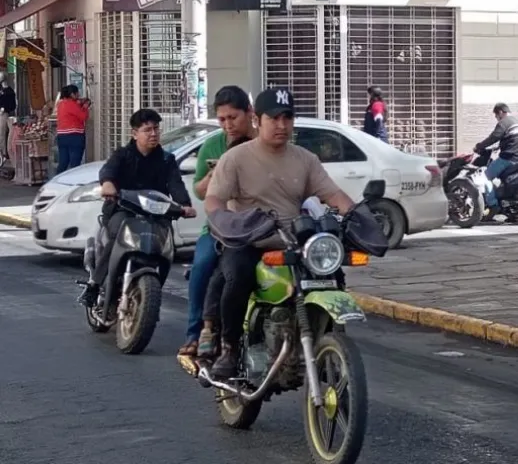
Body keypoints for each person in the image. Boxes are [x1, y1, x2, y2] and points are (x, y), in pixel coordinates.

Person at [204, 87, 354, 379]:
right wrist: (222, 219)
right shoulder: (235, 158)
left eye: (288, 117)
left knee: (333, 273)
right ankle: (229, 348)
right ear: (258, 120)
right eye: (274, 118)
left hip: (294, 242)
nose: (282, 125)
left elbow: (333, 194)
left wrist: (355, 213)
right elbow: (213, 199)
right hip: (249, 239)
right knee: (237, 277)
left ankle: (329, 340)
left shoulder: (305, 159)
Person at [80, 108, 196, 306]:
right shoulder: (123, 155)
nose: (153, 134)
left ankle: (153, 293)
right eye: (147, 130)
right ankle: (94, 285)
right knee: (116, 237)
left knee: (167, 245)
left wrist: (184, 205)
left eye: (156, 129)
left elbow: (175, 184)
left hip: (156, 214)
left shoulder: (167, 159)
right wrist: (108, 184)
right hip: (123, 210)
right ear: (134, 134)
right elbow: (108, 170)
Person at [178, 85, 256, 359]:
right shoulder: (212, 145)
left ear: (249, 114)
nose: (228, 125)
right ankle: (196, 331)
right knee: (202, 265)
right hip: (221, 225)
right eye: (222, 119)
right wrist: (216, 174)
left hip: (260, 224)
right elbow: (199, 191)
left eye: (233, 118)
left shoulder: (264, 142)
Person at [474, 103, 518, 214]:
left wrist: (479, 146)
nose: (497, 119)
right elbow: (514, 139)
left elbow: (494, 137)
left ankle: (493, 205)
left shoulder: (504, 123)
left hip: (509, 158)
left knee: (485, 177)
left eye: (496, 116)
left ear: (501, 112)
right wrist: (499, 146)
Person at [55, 84, 90, 174]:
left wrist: (80, 104)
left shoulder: (60, 104)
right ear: (72, 94)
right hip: (74, 136)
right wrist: (85, 107)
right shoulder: (72, 104)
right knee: (75, 164)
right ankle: (73, 184)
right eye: (77, 93)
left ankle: (57, 182)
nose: (78, 95)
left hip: (62, 136)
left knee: (63, 162)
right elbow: (83, 117)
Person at [0, 76, 14, 161]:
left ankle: (4, 153)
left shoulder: (9, 91)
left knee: (2, 133)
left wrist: (4, 108)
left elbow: (12, 104)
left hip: (3, 113)